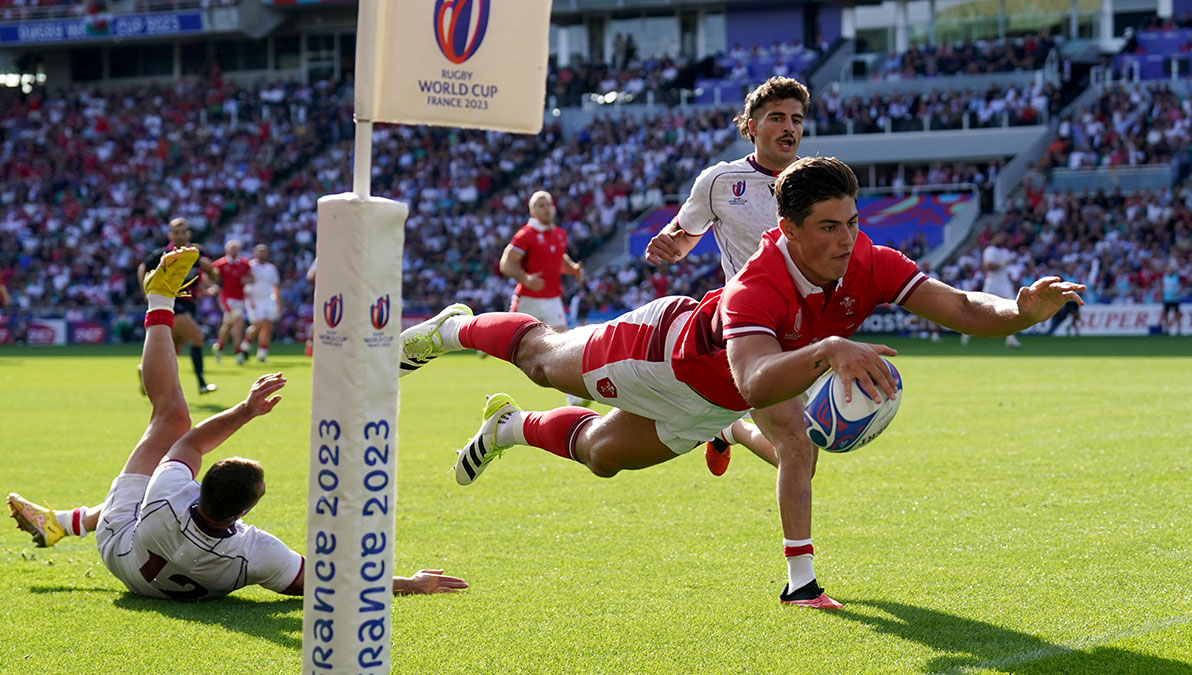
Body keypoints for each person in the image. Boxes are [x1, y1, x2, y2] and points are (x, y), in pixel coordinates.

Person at [399, 157, 1084, 608]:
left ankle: (509, 427)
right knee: (543, 359)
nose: (847, 239)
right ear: (786, 229)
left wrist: (1018, 311)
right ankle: (451, 328)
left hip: (706, 405)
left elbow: (963, 307)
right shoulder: (757, 282)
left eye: (852, 222)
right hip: (658, 352)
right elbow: (756, 380)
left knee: (603, 458)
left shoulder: (868, 260)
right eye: (828, 227)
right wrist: (827, 349)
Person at [7, 248, 466, 599]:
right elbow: (332, 579)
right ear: (244, 513)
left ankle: (158, 301)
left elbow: (186, 439)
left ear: (198, 484)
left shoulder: (168, 495)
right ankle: (60, 522)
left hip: (121, 548)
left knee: (169, 413)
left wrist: (245, 411)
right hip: (145, 576)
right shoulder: (257, 553)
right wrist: (411, 582)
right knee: (163, 438)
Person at [645, 76, 811, 475]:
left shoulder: (816, 182)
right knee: (797, 455)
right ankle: (731, 427)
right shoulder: (719, 180)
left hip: (805, 328)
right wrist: (667, 245)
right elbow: (683, 236)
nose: (789, 127)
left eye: (797, 119)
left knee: (801, 455)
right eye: (777, 118)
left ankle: (729, 428)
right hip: (749, 329)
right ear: (751, 126)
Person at [497, 190, 587, 406]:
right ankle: (482, 343)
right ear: (533, 211)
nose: (546, 208)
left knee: (564, 347)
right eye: (541, 205)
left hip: (552, 299)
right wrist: (526, 279)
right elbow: (506, 264)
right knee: (505, 341)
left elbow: (558, 258)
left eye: (549, 204)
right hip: (529, 299)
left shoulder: (558, 234)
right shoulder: (525, 234)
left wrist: (572, 268)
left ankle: (573, 397)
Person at [138, 218, 216, 395]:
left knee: (171, 350)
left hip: (190, 305)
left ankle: (144, 371)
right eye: (176, 232)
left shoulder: (196, 253)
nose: (180, 236)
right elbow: (143, 267)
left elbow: (214, 276)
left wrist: (209, 270)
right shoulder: (164, 254)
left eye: (183, 232)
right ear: (170, 235)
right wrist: (145, 292)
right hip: (173, 305)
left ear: (188, 234)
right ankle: (202, 383)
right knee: (198, 337)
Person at [962, 232, 1021, 347]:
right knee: (979, 310)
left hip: (1005, 284)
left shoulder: (1005, 251)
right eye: (997, 236)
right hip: (992, 285)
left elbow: (1007, 267)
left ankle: (1011, 339)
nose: (1000, 238)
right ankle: (966, 332)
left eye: (1001, 236)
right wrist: (1004, 263)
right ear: (992, 239)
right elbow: (989, 266)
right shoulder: (990, 250)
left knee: (1014, 309)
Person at [212, 240, 251, 365]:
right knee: (238, 323)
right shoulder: (220, 264)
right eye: (231, 248)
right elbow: (210, 276)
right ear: (227, 250)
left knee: (228, 325)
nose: (234, 251)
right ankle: (238, 352)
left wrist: (247, 280)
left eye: (235, 248)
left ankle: (219, 345)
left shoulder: (244, 264)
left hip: (239, 298)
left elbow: (251, 277)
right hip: (226, 298)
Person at [242, 244, 281, 363]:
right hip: (254, 299)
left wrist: (278, 302)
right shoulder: (250, 266)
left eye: (264, 251)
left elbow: (275, 285)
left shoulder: (271, 268)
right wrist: (249, 298)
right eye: (260, 251)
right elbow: (245, 282)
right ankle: (245, 346)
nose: (262, 253)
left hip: (268, 299)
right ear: (255, 253)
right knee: (257, 324)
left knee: (267, 326)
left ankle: (262, 354)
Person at [1160, 261, 1183, 336]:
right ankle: (1167, 329)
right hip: (1167, 298)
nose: (1169, 270)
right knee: (1166, 314)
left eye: (1170, 268)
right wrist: (1161, 295)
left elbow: (1180, 287)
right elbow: (1163, 287)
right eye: (1168, 268)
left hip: (1175, 299)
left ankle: (1178, 330)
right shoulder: (1165, 276)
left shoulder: (1176, 277)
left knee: (1177, 314)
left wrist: (1178, 292)